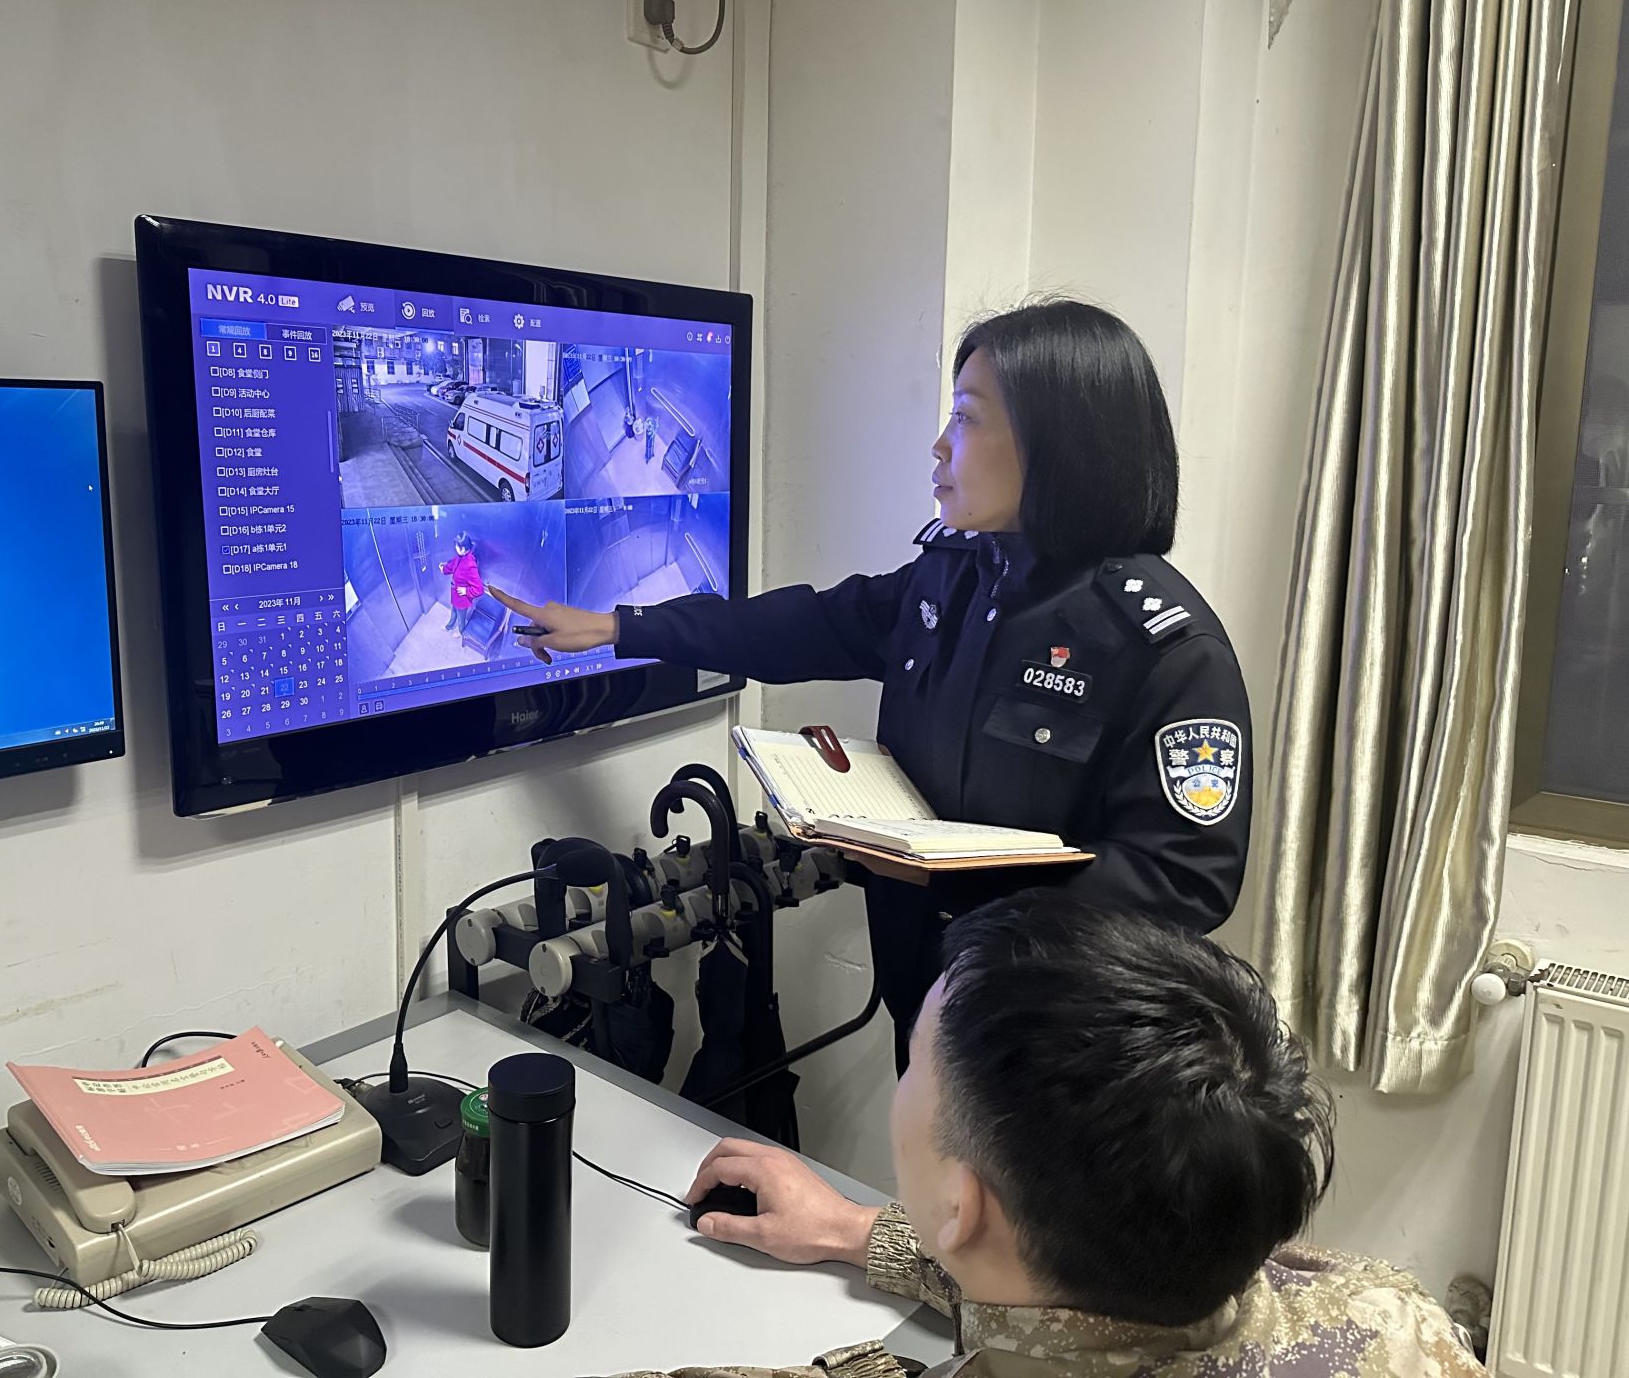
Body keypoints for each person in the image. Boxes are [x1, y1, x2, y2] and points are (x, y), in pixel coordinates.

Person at [492, 301, 1254, 1067]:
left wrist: (959, 890)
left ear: (1057, 444)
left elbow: (1181, 881)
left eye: (966, 418)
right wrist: (621, 627)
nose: (940, 445)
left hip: (1054, 1050)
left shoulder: (1160, 647)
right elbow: (806, 625)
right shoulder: (959, 576)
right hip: (923, 1008)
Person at [604, 895, 1480, 1378]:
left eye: (915, 1065)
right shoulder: (1394, 1320)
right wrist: (851, 1229)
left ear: (963, 1203)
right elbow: (1085, 1316)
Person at [441, 533, 481, 636]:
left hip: (462, 599)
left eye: (457, 546)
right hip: (455, 595)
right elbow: (452, 566)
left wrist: (466, 591)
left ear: (463, 549)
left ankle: (461, 632)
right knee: (453, 612)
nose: (455, 548)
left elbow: (479, 589)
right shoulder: (460, 557)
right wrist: (444, 569)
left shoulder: (470, 565)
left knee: (461, 619)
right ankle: (449, 626)